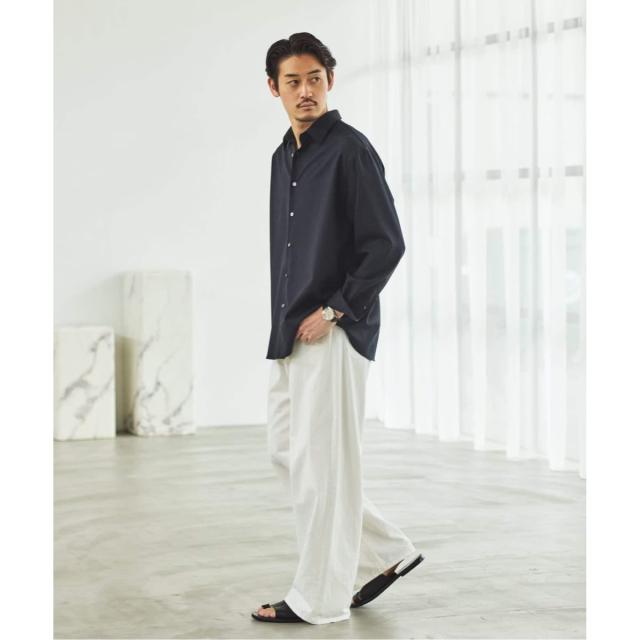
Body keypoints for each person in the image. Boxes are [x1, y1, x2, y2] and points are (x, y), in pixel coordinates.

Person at [252, 32, 424, 625]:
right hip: (291, 330)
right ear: (273, 88)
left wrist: (334, 312)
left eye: (315, 79)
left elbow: (386, 243)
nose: (305, 91)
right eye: (293, 81)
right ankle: (387, 551)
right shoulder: (284, 156)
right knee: (286, 452)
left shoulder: (351, 150)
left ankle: (319, 599)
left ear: (330, 81)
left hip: (333, 331)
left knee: (322, 470)